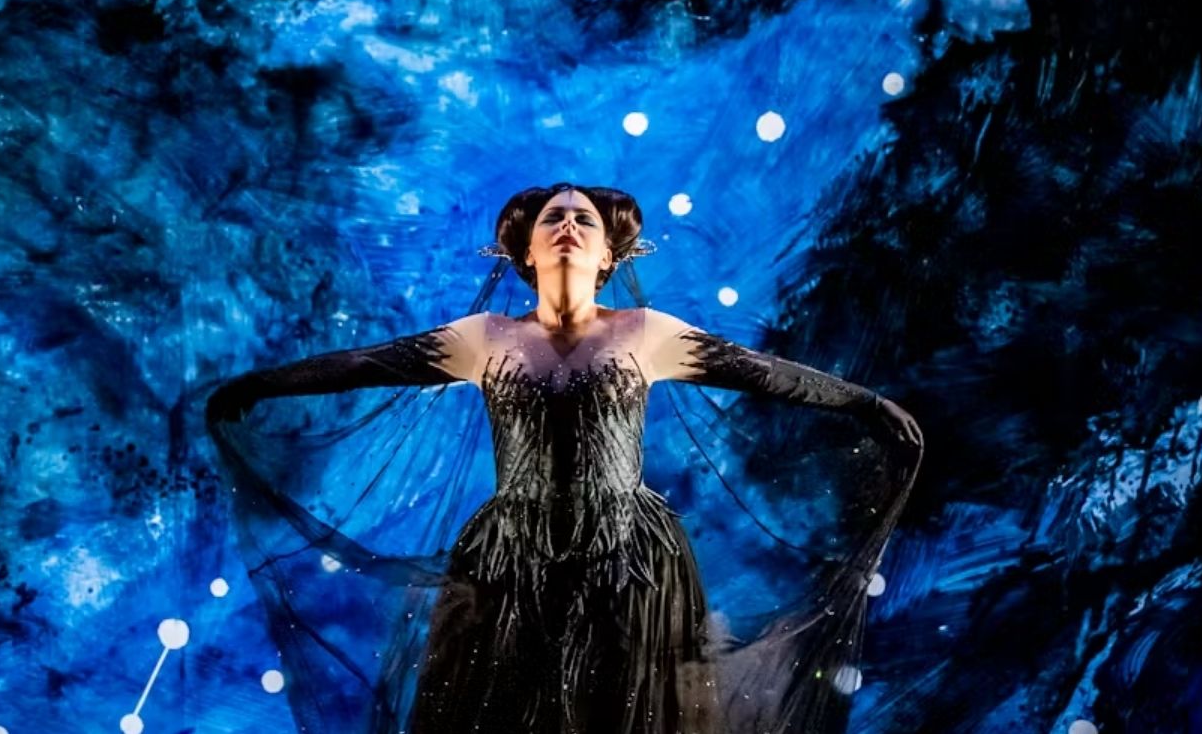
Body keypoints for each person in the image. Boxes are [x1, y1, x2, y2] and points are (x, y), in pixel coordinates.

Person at [204, 182, 924, 733]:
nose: (570, 225)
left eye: (585, 219)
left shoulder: (649, 333)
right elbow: (368, 363)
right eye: (554, 218)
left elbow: (764, 373)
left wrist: (865, 403)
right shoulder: (483, 338)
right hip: (506, 565)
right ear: (527, 253)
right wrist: (262, 385)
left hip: (632, 565)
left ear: (609, 255)